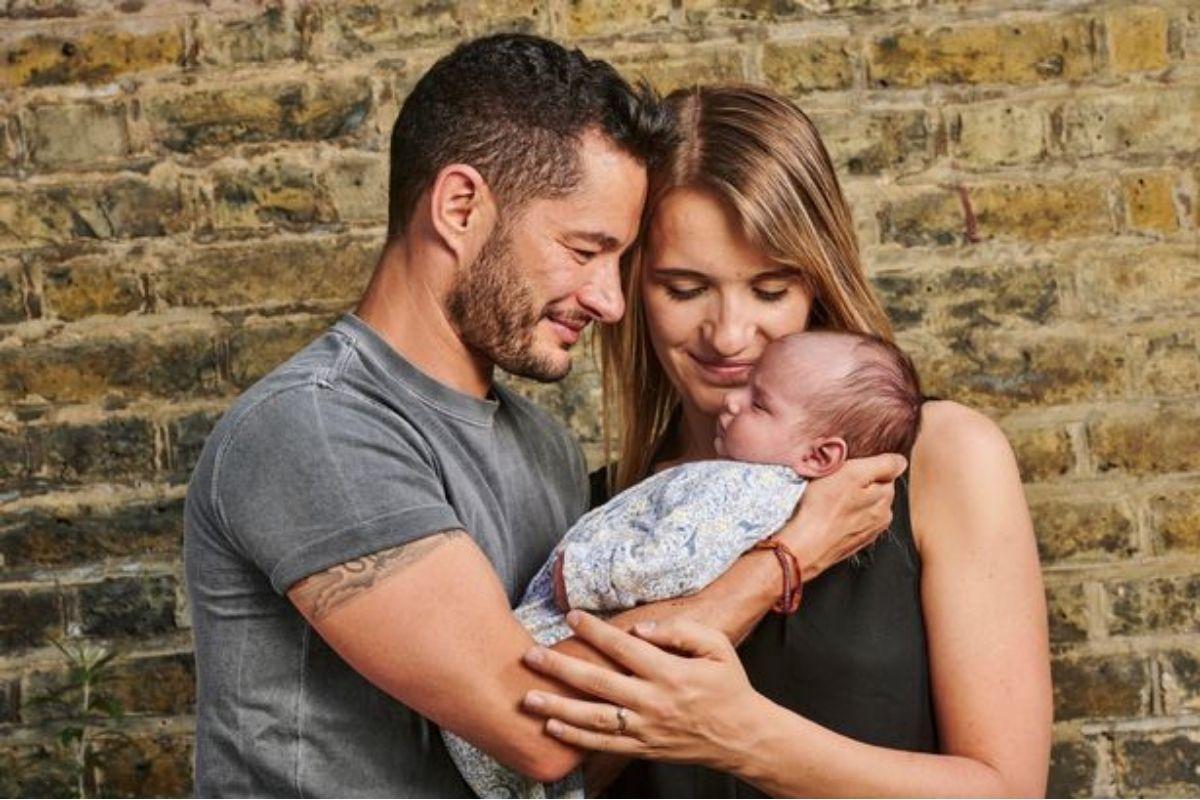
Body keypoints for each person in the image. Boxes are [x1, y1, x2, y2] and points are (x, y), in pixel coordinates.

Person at [183, 36, 904, 797]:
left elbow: (587, 761)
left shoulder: (549, 451)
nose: (611, 301)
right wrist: (786, 557)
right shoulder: (313, 429)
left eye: (619, 261)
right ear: (460, 208)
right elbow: (539, 732)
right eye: (585, 250)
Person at [518, 84, 1053, 797]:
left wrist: (745, 739)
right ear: (630, 286)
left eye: (770, 290)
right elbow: (536, 767)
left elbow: (1008, 791)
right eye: (684, 289)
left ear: (816, 282)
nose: (729, 335)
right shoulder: (598, 513)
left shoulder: (944, 458)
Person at [444, 330, 923, 797]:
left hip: (569, 632)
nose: (731, 401)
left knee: (498, 714)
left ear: (819, 455)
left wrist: (583, 576)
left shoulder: (749, 488)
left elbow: (676, 561)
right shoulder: (738, 478)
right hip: (567, 692)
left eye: (759, 404)